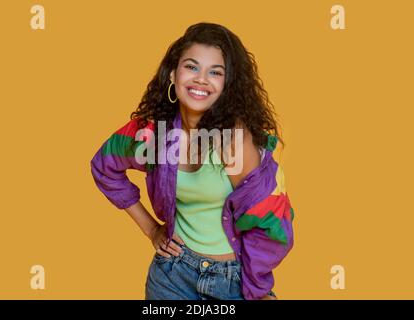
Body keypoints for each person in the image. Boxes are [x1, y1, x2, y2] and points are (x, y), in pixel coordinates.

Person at [90, 22, 295, 300]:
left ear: (226, 85)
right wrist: (151, 229)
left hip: (231, 281)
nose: (201, 79)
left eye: (215, 72)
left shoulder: (233, 141)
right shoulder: (155, 133)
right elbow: (105, 165)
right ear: (173, 74)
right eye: (192, 67)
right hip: (170, 276)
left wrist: (257, 291)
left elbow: (270, 223)